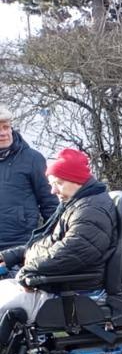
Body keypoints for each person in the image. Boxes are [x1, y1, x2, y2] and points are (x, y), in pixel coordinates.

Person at [0, 148, 116, 354]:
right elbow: (51, 242)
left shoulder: (90, 210)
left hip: (75, 286)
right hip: (64, 279)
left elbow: (72, 252)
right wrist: (13, 256)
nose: (53, 191)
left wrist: (28, 271)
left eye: (58, 183)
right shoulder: (78, 203)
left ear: (76, 180)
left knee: (4, 305)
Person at [0, 106, 59, 256]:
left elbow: (50, 202)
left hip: (20, 244)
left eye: (6, 127)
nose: (3, 133)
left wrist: (54, 239)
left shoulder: (32, 159)